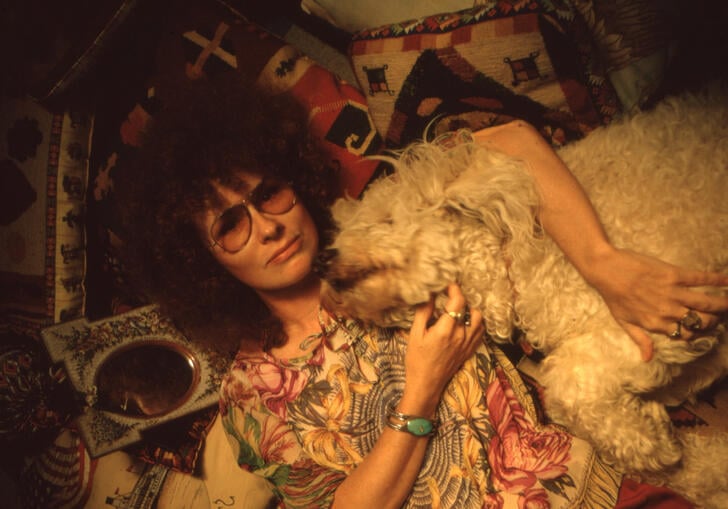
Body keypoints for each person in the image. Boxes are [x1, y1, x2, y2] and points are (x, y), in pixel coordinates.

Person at [117, 75, 728, 508]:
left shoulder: (382, 231)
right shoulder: (250, 401)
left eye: (268, 194)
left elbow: (511, 144)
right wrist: (422, 391)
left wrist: (603, 263)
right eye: (230, 224)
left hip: (595, 485)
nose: (267, 225)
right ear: (203, 266)